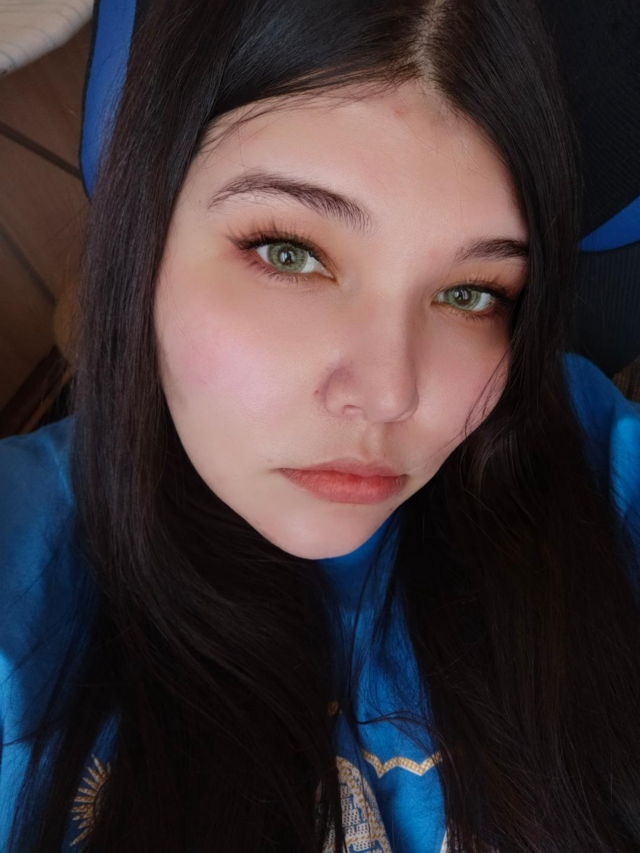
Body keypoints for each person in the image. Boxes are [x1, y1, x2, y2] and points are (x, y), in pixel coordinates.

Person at [1, 0, 640, 850]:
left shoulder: (586, 459)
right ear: (144, 233)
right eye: (290, 252)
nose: (388, 394)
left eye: (471, 292)